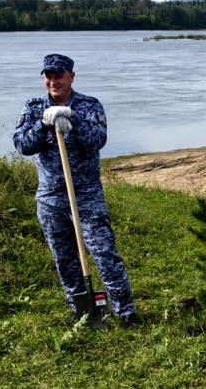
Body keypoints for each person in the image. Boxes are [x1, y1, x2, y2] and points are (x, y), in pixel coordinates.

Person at [13, 54, 137, 326]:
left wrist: (74, 120)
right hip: (50, 197)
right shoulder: (34, 107)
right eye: (48, 76)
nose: (53, 81)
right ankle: (81, 311)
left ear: (71, 76)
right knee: (65, 258)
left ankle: (125, 314)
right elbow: (22, 144)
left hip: (86, 194)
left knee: (105, 254)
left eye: (59, 75)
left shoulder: (89, 106)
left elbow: (98, 140)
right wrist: (44, 124)